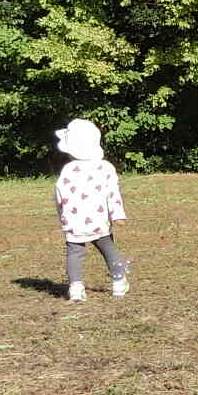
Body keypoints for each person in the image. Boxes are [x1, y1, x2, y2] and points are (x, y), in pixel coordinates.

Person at [54, 119, 129, 302]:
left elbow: (59, 194)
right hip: (99, 219)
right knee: (108, 249)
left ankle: (76, 288)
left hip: (74, 221)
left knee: (74, 252)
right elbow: (113, 192)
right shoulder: (105, 167)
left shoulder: (68, 169)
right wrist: (117, 214)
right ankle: (119, 282)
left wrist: (62, 215)